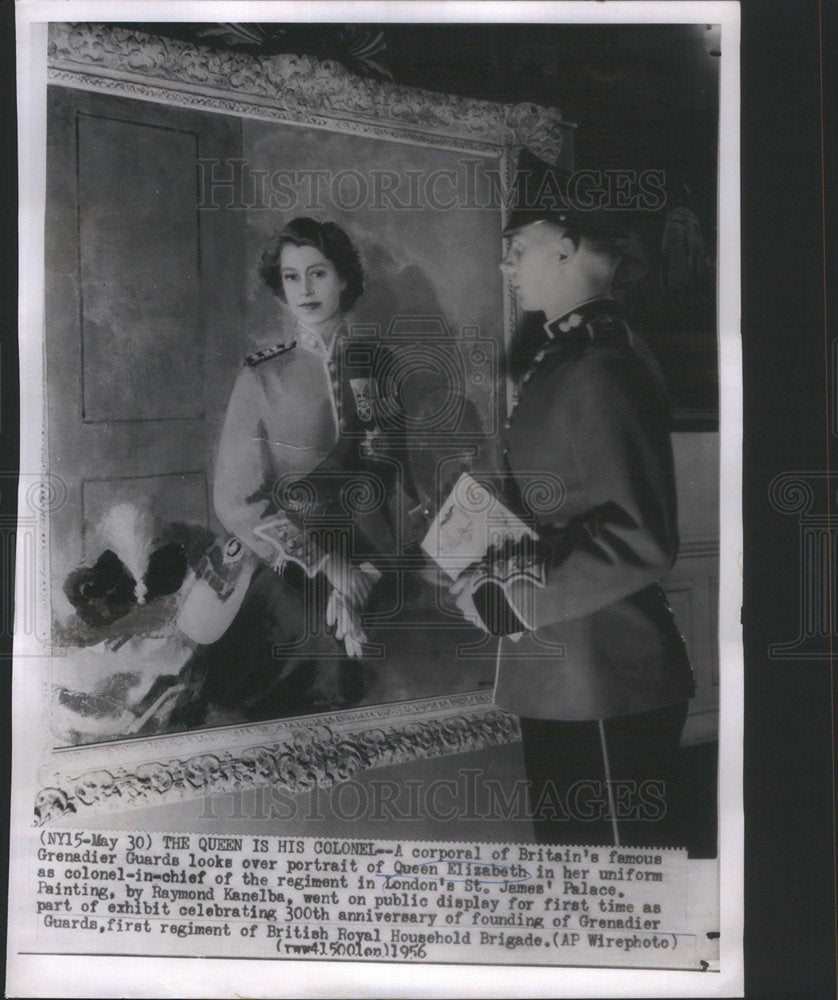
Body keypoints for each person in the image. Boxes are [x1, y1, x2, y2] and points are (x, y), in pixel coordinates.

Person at [451, 154, 695, 847]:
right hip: (569, 676)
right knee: (577, 867)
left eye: (516, 247)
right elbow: (554, 504)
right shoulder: (568, 357)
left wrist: (511, 602)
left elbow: (641, 542)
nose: (505, 263)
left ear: (565, 246)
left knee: (615, 880)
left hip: (606, 680)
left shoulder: (599, 364)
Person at [178, 218, 412, 723]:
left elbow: (400, 482)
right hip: (284, 559)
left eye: (318, 273)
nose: (304, 289)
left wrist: (368, 571)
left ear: (343, 279)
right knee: (315, 655)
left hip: (373, 553)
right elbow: (238, 500)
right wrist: (330, 568)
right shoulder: (262, 374)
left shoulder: (381, 366)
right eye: (291, 277)